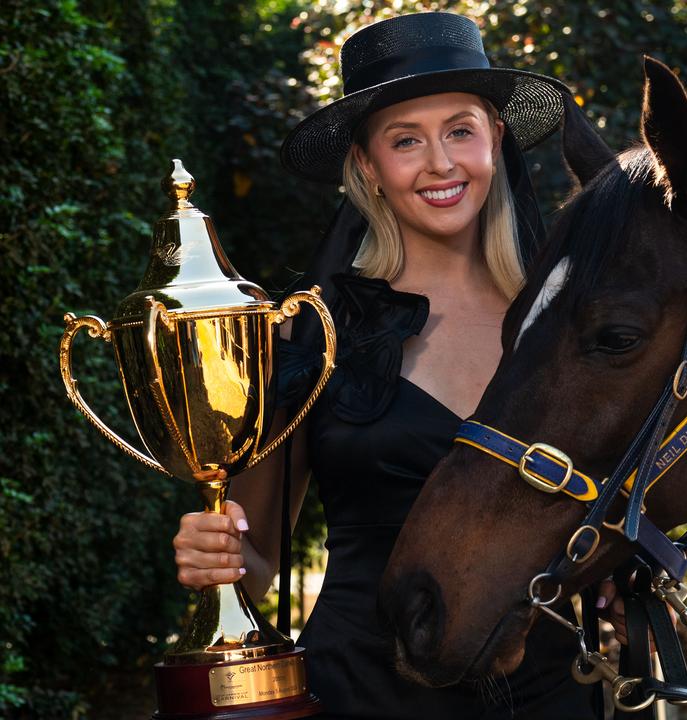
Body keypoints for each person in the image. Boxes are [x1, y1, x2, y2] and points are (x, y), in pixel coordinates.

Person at [170, 12, 594, 719]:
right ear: (366, 165)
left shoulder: (571, 319)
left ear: (496, 138)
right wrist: (217, 553)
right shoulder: (313, 332)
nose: (440, 163)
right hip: (366, 693)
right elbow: (262, 561)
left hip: (552, 695)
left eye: (461, 129)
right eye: (406, 140)